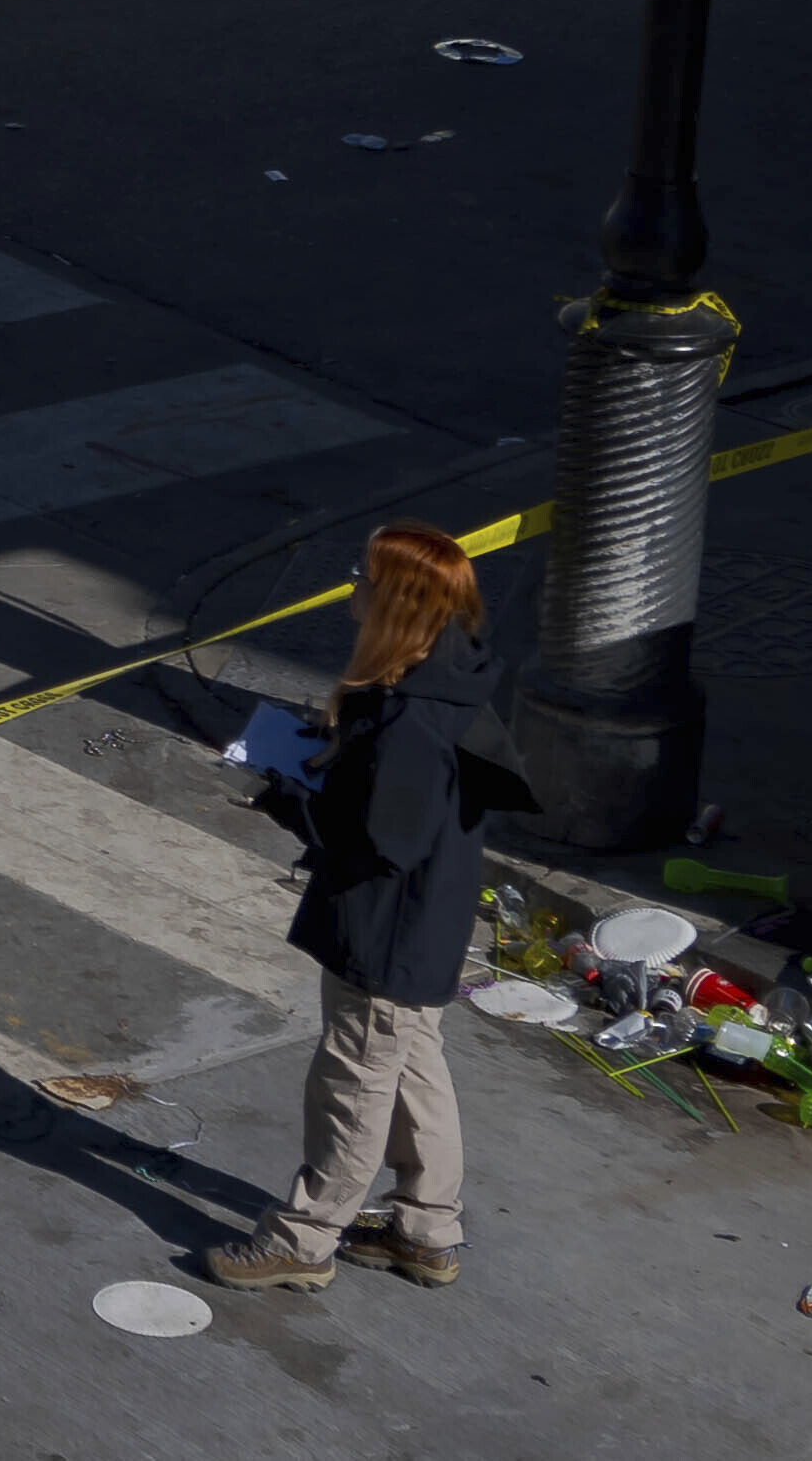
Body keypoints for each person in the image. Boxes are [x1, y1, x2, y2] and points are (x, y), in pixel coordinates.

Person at [206, 524, 521, 1291]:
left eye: (363, 577)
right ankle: (426, 1229)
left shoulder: (410, 719)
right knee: (413, 1068)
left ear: (395, 601)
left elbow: (386, 839)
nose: (352, 585)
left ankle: (305, 1240)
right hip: (428, 930)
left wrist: (287, 796)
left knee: (351, 1087)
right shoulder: (448, 678)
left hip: (384, 936)